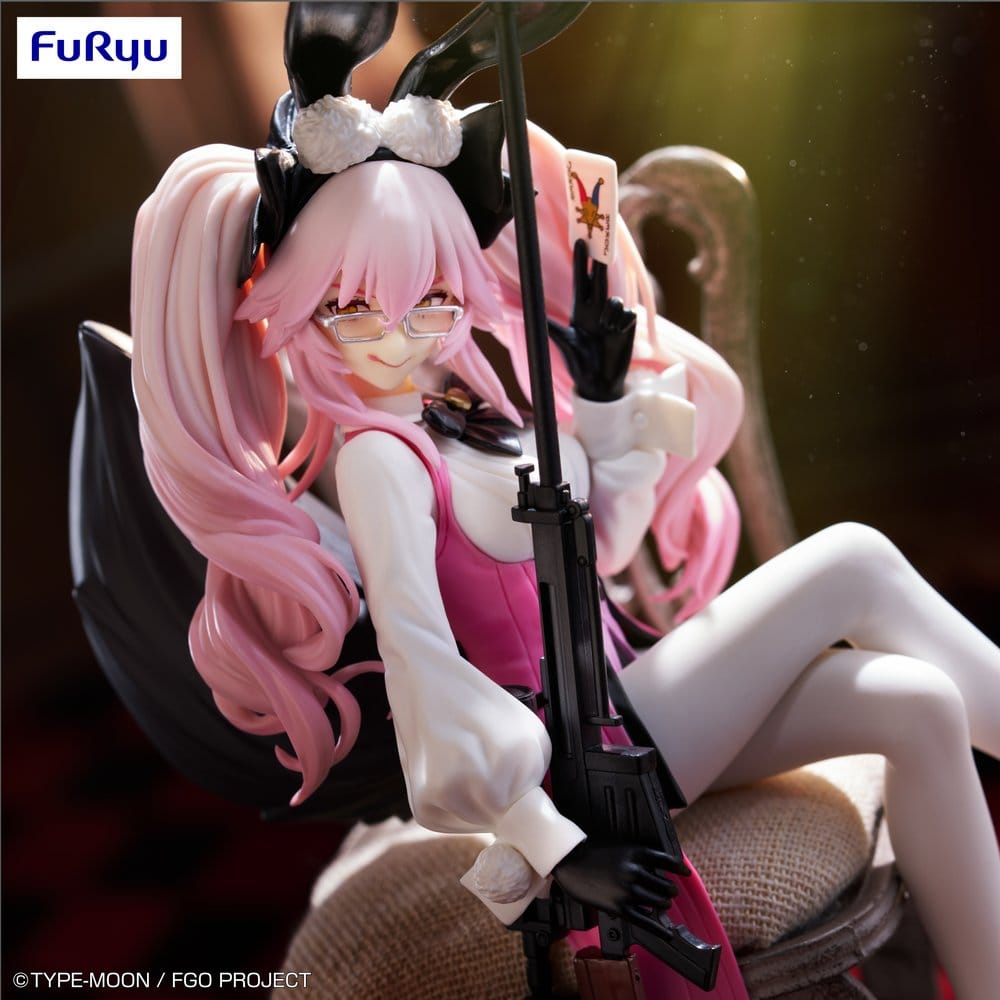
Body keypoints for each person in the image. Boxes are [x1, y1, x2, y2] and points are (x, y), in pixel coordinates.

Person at [130, 4, 1000, 997]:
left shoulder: (465, 409)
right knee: (853, 558)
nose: (400, 334)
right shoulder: (379, 461)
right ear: (296, 301)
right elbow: (423, 677)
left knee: (921, 703)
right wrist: (552, 844)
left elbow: (609, 546)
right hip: (576, 752)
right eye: (354, 306)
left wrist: (600, 397)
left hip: (630, 694)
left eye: (432, 299)